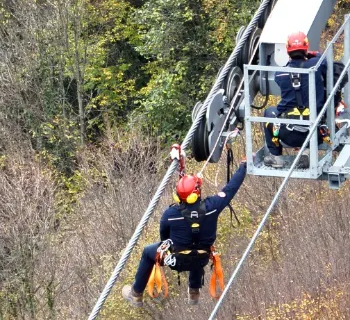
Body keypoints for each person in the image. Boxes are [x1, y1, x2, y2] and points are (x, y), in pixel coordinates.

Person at [121, 156, 247, 307]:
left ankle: (136, 294)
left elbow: (165, 239)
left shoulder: (170, 214)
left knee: (148, 252)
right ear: (197, 193)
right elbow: (231, 188)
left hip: (177, 261)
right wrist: (244, 165)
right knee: (198, 246)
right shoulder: (212, 207)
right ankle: (194, 291)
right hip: (202, 259)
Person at [262, 31, 331, 168]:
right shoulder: (316, 65)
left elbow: (285, 72)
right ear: (306, 47)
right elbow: (323, 59)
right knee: (322, 109)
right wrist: (312, 54)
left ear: (288, 50)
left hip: (287, 134)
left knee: (269, 112)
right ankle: (307, 151)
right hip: (315, 133)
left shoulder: (280, 74)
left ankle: (276, 156)